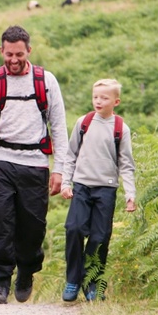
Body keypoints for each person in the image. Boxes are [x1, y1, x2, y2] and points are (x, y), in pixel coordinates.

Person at [0, 25, 69, 304]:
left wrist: (60, 170)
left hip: (36, 163)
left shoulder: (46, 81)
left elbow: (59, 127)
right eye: (8, 54)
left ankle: (26, 271)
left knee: (33, 224)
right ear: (1, 51)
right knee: (0, 220)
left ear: (29, 51)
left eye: (19, 54)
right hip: (0, 159)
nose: (13, 59)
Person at [60, 78, 137, 302]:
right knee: (73, 229)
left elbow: (126, 164)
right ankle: (73, 280)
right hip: (81, 187)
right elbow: (70, 155)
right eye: (95, 97)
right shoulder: (83, 122)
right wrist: (66, 183)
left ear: (116, 101)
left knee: (100, 237)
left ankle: (93, 283)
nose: (98, 101)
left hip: (106, 189)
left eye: (104, 97)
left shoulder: (120, 128)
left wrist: (130, 194)